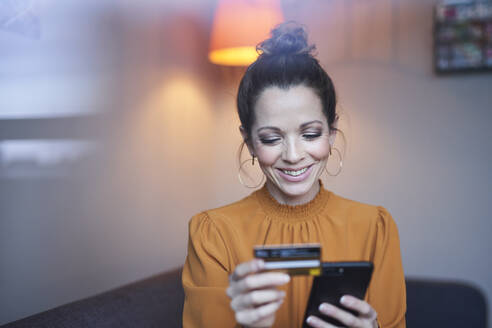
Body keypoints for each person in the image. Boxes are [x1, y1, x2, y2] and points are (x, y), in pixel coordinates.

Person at [182, 21, 406, 328]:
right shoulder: (213, 235)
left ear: (331, 133)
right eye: (272, 139)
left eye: (310, 134)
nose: (292, 155)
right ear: (249, 142)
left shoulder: (375, 228)